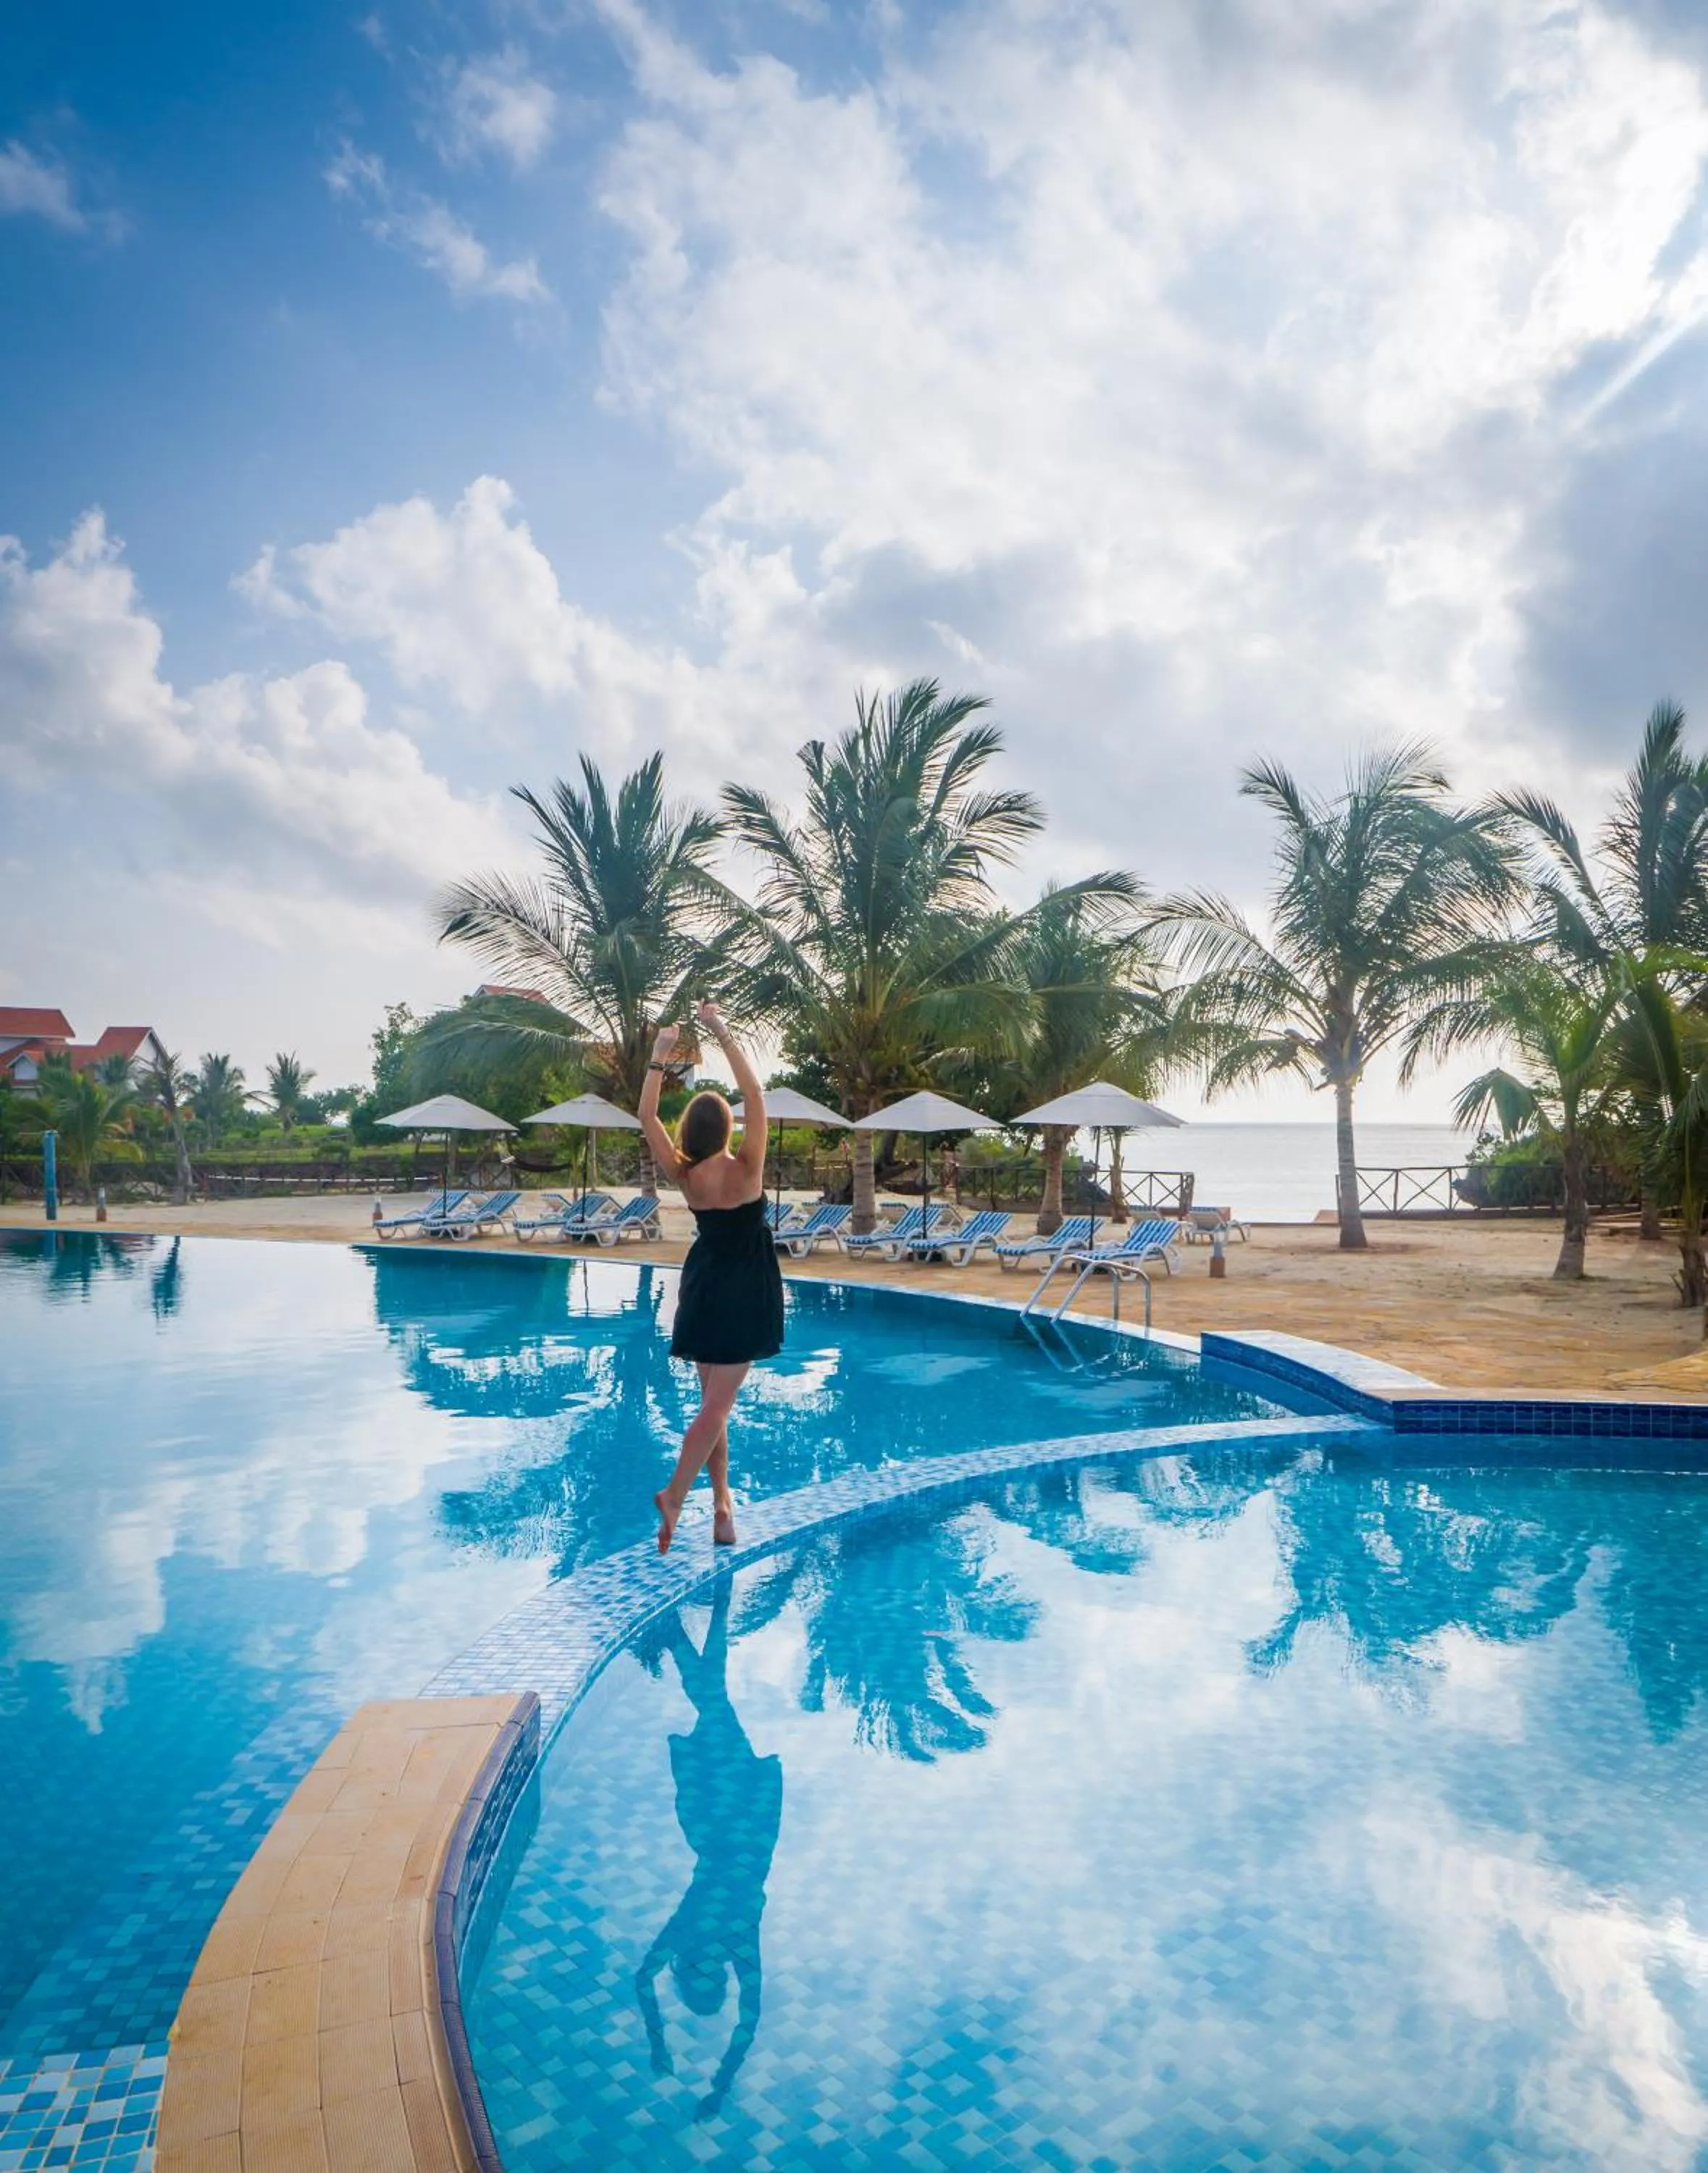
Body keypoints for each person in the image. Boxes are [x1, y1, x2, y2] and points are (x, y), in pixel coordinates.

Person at [640, 1000, 784, 1553]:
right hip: (746, 1291)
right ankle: (676, 1495)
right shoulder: (746, 1168)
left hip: (702, 1287)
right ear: (727, 1127)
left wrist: (658, 1058)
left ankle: (723, 1509)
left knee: (711, 1406)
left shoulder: (685, 1174)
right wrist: (721, 1030)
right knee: (717, 1407)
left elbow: (647, 1119)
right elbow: (755, 1095)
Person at [634, 1581, 780, 2120]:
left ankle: (696, 1617)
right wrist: (711, 2080)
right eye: (710, 1976)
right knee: (713, 1699)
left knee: (713, 1698)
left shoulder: (701, 1935)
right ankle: (693, 1618)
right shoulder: (725, 1938)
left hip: (725, 1823)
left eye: (700, 1974)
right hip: (733, 1816)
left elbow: (643, 1979)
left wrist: (660, 2043)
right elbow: (749, 2016)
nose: (707, 1968)